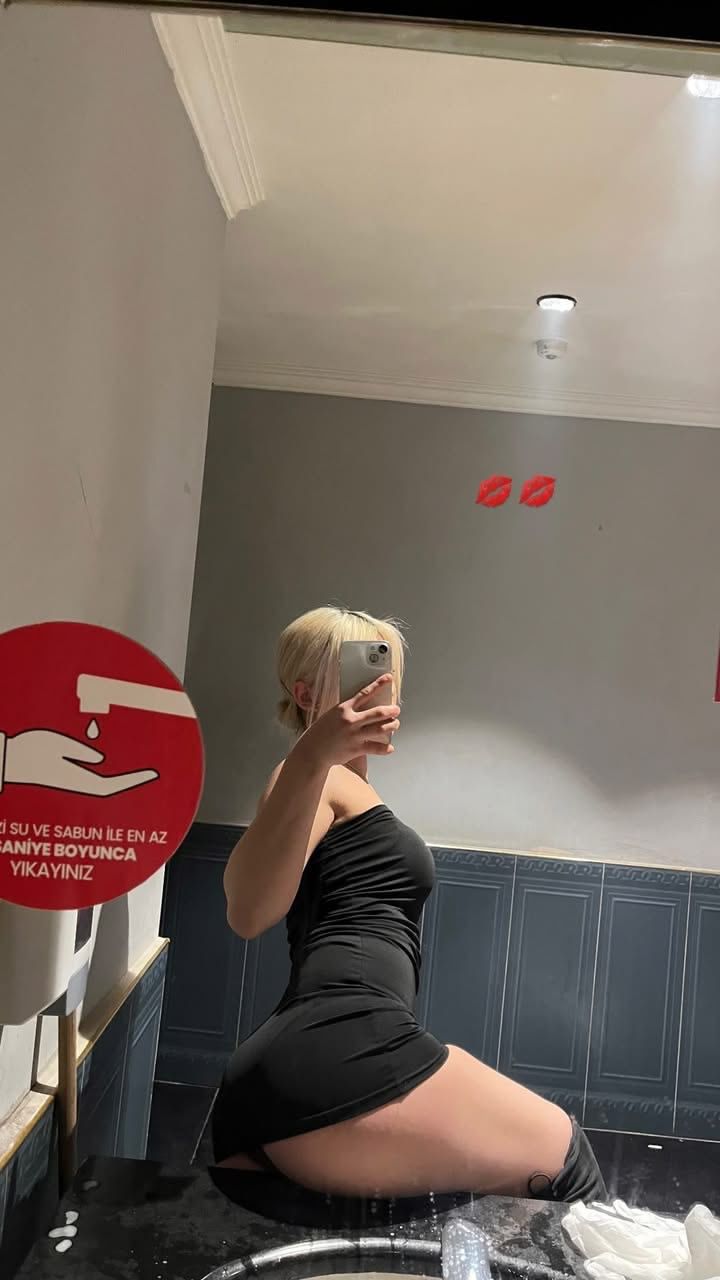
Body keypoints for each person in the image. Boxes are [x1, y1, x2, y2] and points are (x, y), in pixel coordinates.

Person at [212, 606, 606, 1203]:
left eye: (386, 676)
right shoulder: (315, 778)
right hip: (340, 1049)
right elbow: (247, 911)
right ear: (306, 694)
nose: (380, 692)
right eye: (359, 676)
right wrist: (314, 755)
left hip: (317, 1054)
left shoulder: (341, 785)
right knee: (566, 1158)